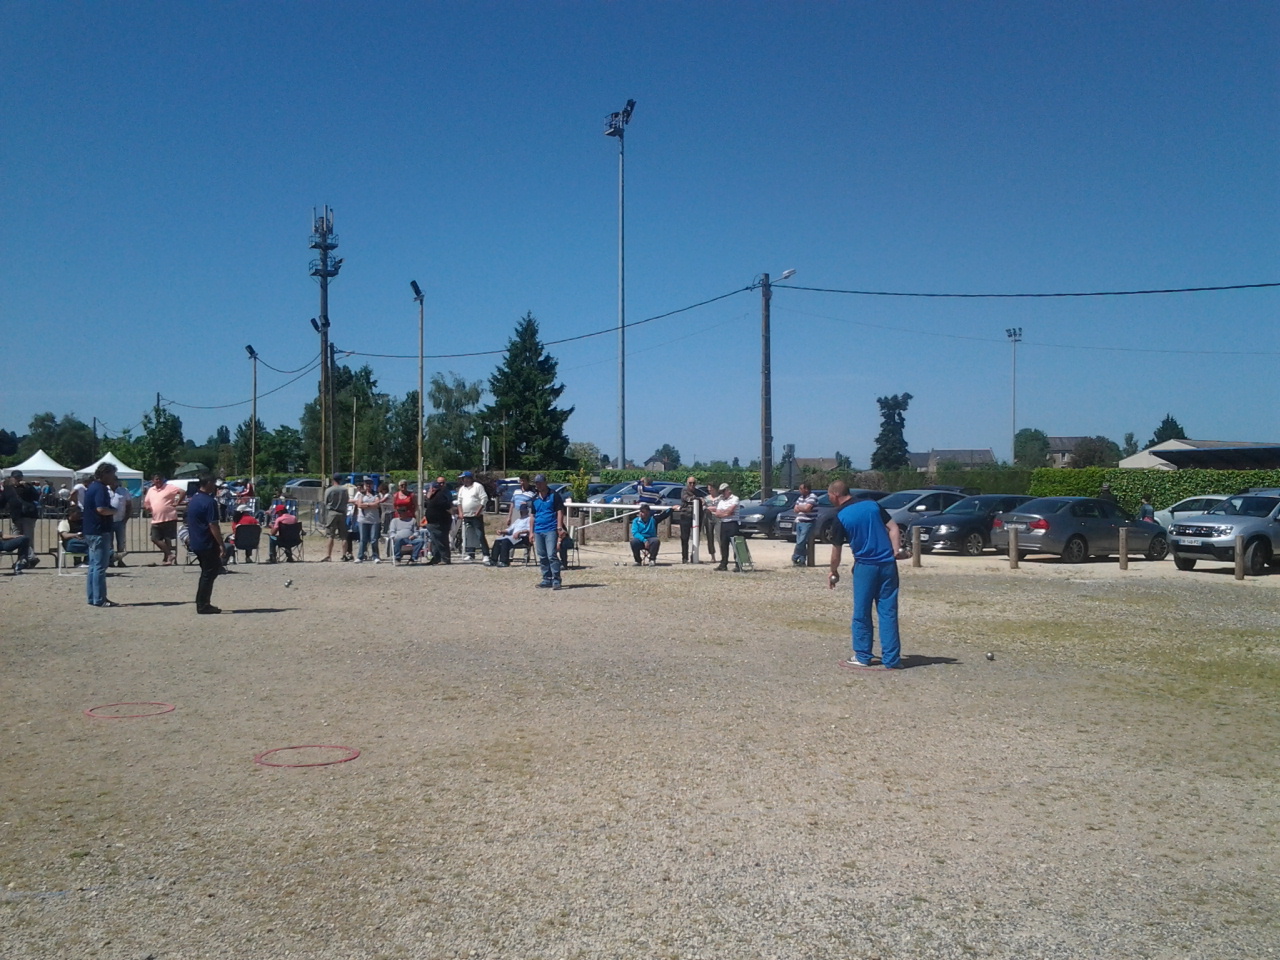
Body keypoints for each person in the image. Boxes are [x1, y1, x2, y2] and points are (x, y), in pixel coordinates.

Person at [827, 479, 906, 670]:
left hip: (866, 566)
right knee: (888, 612)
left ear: (835, 495)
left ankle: (863, 655)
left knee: (862, 612)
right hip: (888, 564)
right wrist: (896, 551)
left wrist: (833, 571)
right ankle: (892, 659)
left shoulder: (840, 516)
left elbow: (836, 551)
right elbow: (894, 528)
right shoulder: (872, 504)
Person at [187, 474, 225, 614]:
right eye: (214, 483)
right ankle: (203, 604)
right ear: (208, 483)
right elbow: (213, 525)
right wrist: (221, 544)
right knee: (209, 573)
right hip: (207, 541)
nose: (215, 486)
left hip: (196, 540)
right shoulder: (209, 502)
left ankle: (202, 602)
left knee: (207, 572)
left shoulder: (194, 499)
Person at [83, 463, 119, 607]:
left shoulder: (92, 487)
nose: (114, 477)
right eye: (112, 474)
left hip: (90, 530)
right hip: (99, 530)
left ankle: (92, 597)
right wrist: (114, 511)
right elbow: (101, 509)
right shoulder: (101, 489)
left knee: (93, 566)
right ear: (104, 474)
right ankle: (100, 599)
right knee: (100, 566)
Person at [530, 473, 566, 589]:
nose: (538, 485)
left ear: (545, 483)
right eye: (536, 483)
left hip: (550, 528)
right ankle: (546, 578)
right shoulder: (534, 499)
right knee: (542, 555)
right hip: (538, 529)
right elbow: (532, 516)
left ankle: (556, 578)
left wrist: (559, 527)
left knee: (551, 554)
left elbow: (560, 511)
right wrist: (531, 532)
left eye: (540, 483)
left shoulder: (554, 495)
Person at [144, 474, 185, 565]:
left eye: (160, 479)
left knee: (167, 538)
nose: (158, 481)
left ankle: (167, 559)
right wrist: (147, 507)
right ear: (153, 480)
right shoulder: (151, 490)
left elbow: (181, 492)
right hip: (156, 518)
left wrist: (176, 502)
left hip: (169, 517)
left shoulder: (169, 487)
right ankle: (170, 554)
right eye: (156, 479)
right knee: (154, 538)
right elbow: (146, 502)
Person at [2, 471, 40, 566]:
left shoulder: (26, 487)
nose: (17, 480)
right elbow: (3, 501)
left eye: (19, 477)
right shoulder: (8, 489)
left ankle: (28, 559)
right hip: (16, 516)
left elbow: (36, 497)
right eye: (15, 478)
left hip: (28, 515)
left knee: (27, 537)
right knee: (17, 538)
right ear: (11, 478)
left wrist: (28, 487)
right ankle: (24, 559)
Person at [456, 471, 489, 561]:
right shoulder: (462, 489)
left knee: (480, 535)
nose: (464, 480)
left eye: (465, 478)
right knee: (468, 535)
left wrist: (478, 511)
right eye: (463, 479)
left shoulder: (477, 486)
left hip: (476, 515)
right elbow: (459, 501)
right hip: (466, 515)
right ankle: (470, 553)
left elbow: (484, 498)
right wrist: (460, 512)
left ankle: (486, 554)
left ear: (470, 478)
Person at [422, 478, 453, 565]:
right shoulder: (432, 496)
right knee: (435, 542)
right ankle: (436, 558)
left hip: (440, 522)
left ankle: (445, 558)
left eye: (432, 488)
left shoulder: (440, 495)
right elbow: (427, 505)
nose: (431, 490)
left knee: (441, 541)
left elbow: (447, 506)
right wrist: (428, 497)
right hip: (433, 522)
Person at [354, 479, 385, 563]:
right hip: (363, 520)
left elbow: (377, 504)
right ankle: (360, 556)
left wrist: (366, 505)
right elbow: (359, 505)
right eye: (366, 483)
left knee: (374, 539)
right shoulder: (361, 494)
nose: (368, 485)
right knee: (363, 539)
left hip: (374, 520)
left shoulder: (376, 494)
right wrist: (370, 505)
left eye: (370, 483)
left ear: (372, 485)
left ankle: (375, 556)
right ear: (364, 485)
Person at [712, 483, 740, 572]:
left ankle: (738, 564)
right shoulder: (721, 501)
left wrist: (724, 513)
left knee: (735, 545)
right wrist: (726, 513)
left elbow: (730, 510)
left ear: (728, 490)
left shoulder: (735, 499)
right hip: (724, 524)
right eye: (721, 492)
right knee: (723, 545)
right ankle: (723, 564)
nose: (722, 493)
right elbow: (718, 513)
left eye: (723, 491)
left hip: (733, 524)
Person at [321, 474, 350, 562]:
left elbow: (325, 502)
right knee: (343, 536)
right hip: (342, 513)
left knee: (330, 535)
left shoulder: (329, 490)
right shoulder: (345, 490)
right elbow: (347, 500)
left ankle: (328, 555)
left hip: (332, 513)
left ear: (333, 479)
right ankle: (344, 554)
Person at [791, 482, 819, 566]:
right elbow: (795, 509)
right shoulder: (800, 498)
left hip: (808, 522)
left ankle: (795, 557)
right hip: (799, 521)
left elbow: (807, 508)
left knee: (801, 541)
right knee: (800, 542)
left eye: (801, 489)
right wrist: (802, 508)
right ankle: (801, 561)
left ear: (806, 489)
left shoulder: (812, 497)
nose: (799, 490)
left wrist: (801, 508)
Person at [677, 476, 701, 563]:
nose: (692, 485)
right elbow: (687, 498)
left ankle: (694, 556)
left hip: (697, 518)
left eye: (694, 483)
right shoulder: (684, 491)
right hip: (685, 516)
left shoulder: (698, 492)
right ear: (687, 483)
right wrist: (698, 499)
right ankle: (684, 557)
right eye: (690, 483)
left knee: (696, 538)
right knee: (684, 538)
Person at [110, 482, 133, 567]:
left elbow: (129, 505)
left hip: (120, 520)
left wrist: (126, 518)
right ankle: (110, 560)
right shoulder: (105, 490)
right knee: (109, 542)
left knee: (121, 542)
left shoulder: (124, 491)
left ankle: (120, 560)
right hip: (108, 521)